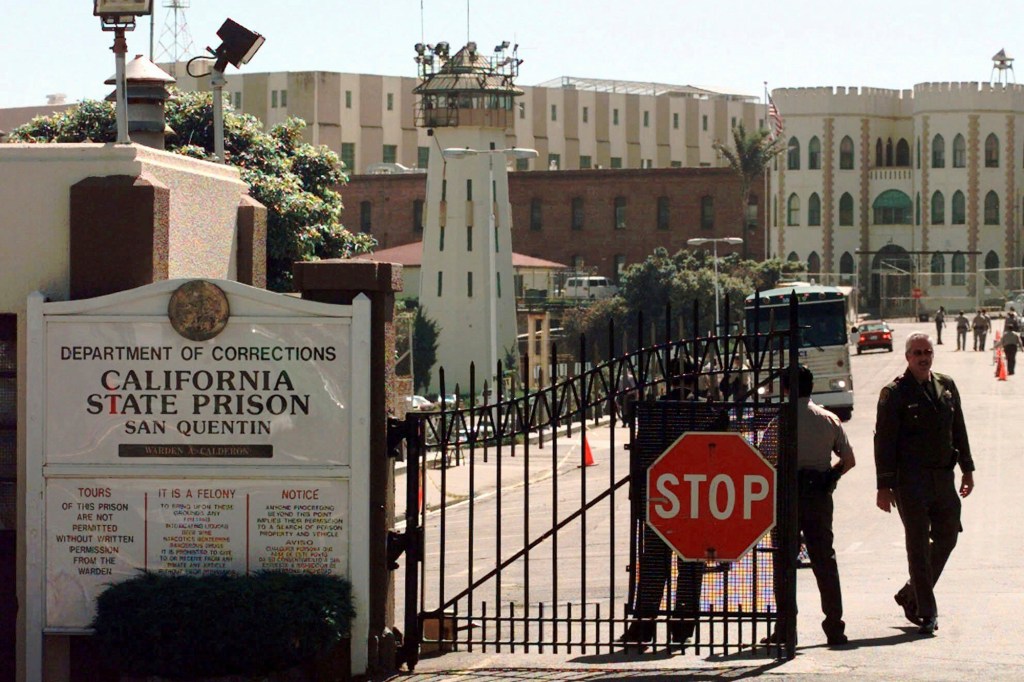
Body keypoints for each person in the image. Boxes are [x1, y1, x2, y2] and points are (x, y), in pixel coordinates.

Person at [874, 332, 975, 636]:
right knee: (917, 547)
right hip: (911, 482)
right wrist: (884, 485)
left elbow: (959, 429)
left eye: (927, 352)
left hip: (944, 478)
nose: (923, 357)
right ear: (907, 357)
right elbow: (884, 441)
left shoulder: (946, 385)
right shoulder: (895, 393)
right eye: (917, 352)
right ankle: (926, 612)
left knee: (948, 537)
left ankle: (911, 593)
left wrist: (967, 469)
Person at [620, 359, 723, 647]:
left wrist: (639, 499)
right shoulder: (704, 408)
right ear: (695, 379)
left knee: (654, 562)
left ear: (667, 378)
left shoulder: (654, 410)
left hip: (660, 499)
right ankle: (682, 626)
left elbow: (642, 455)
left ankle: (643, 624)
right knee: (691, 564)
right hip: (695, 498)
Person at [769, 366, 855, 647]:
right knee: (824, 561)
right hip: (818, 495)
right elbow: (848, 460)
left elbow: (761, 459)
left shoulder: (778, 421)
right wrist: (830, 476)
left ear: (784, 388)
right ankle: (834, 628)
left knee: (784, 562)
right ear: (811, 386)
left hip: (786, 497)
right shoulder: (828, 419)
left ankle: (785, 628)